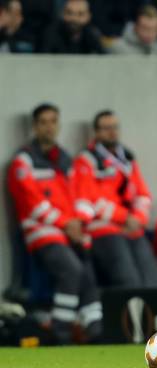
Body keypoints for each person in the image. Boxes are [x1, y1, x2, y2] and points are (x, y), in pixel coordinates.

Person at [6, 104, 102, 344]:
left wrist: (79, 222)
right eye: (43, 122)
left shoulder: (66, 159)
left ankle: (96, 330)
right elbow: (32, 203)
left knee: (89, 272)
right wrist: (65, 223)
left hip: (71, 230)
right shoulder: (23, 161)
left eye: (53, 121)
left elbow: (82, 195)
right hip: (42, 233)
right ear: (35, 126)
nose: (49, 127)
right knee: (72, 269)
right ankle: (60, 330)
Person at [71, 110, 157, 288]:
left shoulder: (127, 158)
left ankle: (153, 315)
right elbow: (89, 200)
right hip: (103, 229)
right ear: (96, 132)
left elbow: (143, 195)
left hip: (131, 228)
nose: (112, 132)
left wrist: (139, 218)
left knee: (153, 279)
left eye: (115, 127)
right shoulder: (86, 160)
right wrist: (124, 217)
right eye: (106, 128)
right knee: (129, 280)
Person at [39, 0, 104, 54]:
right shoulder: (50, 34)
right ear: (62, 14)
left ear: (88, 16)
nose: (74, 18)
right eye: (69, 13)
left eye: (80, 14)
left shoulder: (92, 34)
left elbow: (104, 58)